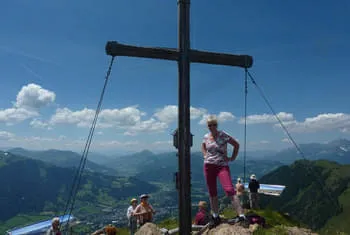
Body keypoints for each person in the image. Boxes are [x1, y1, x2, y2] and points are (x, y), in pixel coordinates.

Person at [201, 115, 246, 228]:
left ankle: (241, 216)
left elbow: (236, 145)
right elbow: (203, 146)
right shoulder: (206, 136)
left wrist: (232, 158)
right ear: (207, 126)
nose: (212, 127)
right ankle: (216, 216)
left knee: (229, 189)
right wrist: (205, 154)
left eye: (214, 124)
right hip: (208, 166)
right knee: (212, 192)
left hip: (222, 166)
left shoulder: (223, 134)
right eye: (210, 125)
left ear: (217, 125)